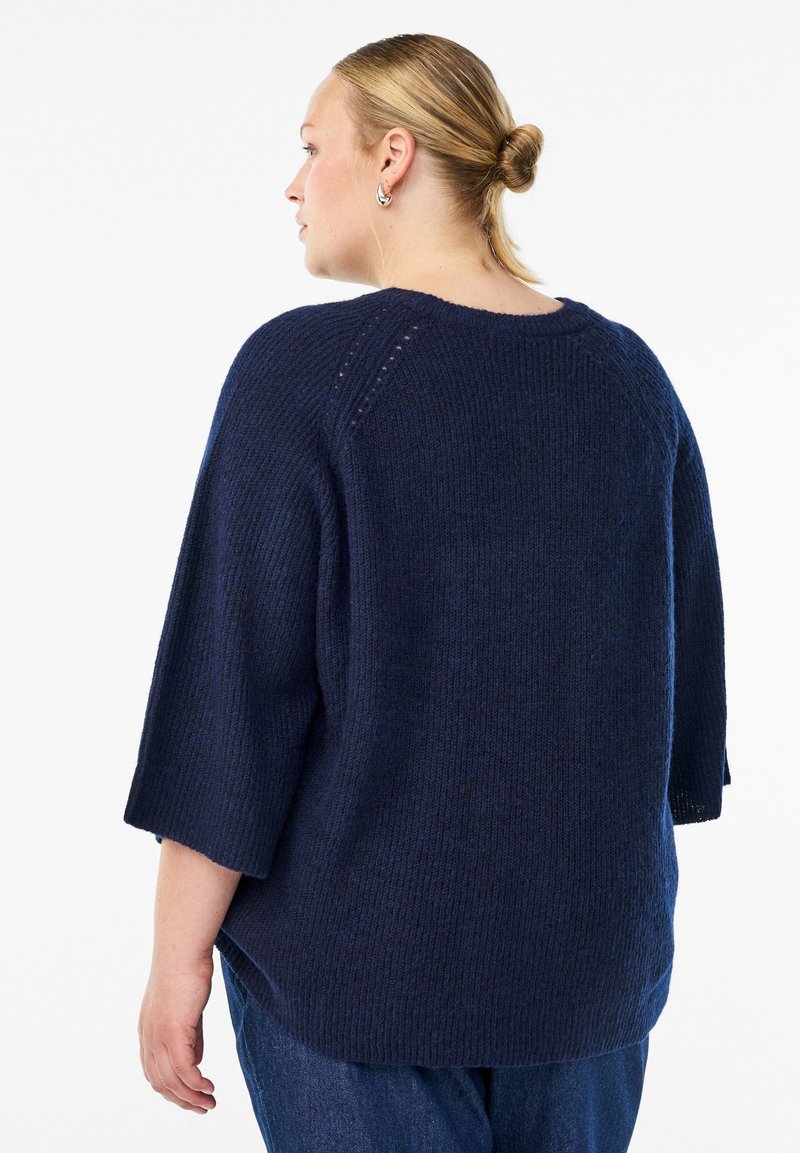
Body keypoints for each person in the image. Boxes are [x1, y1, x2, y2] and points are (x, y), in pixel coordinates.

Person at [124, 32, 731, 1152]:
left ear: (392, 156)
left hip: (362, 980)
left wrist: (175, 959)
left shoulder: (305, 373)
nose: (294, 183)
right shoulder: (630, 380)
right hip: (589, 977)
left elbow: (234, 695)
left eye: (314, 147)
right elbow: (678, 682)